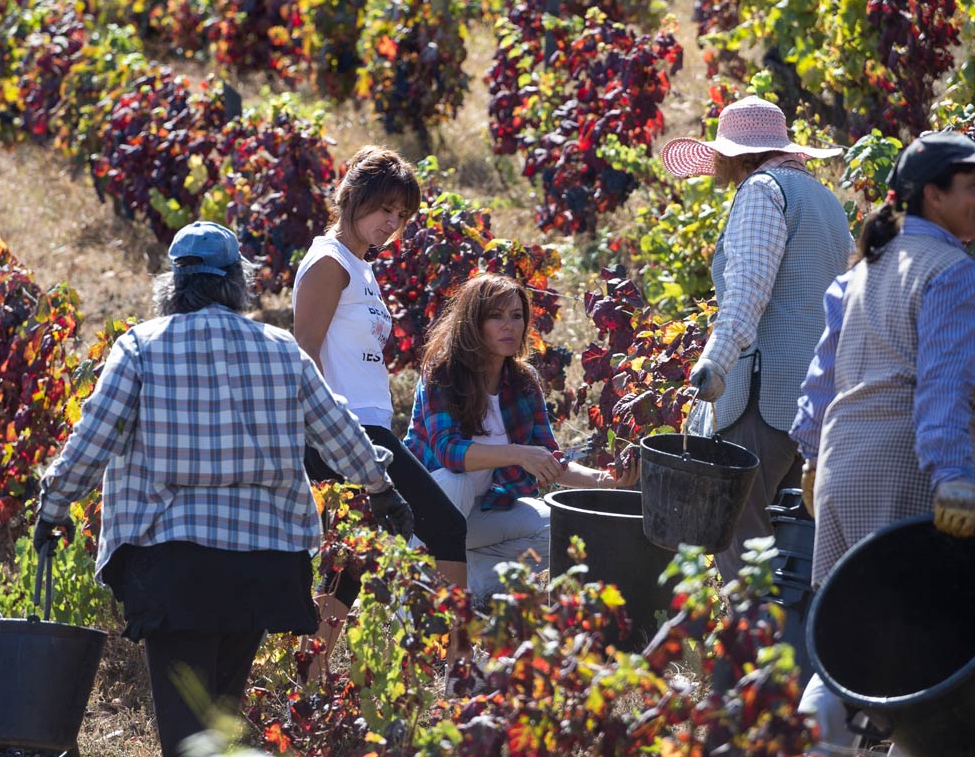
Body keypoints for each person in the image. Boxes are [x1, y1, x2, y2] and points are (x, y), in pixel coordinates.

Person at [34, 221, 411, 757]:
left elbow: (92, 437)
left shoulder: (141, 347)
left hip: (172, 565)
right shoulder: (280, 349)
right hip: (263, 564)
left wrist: (53, 506)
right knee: (219, 715)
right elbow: (338, 429)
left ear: (172, 284)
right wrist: (381, 486)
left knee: (188, 735)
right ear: (238, 282)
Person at [789, 131, 975, 755]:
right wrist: (954, 478)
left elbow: (820, 378)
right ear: (934, 195)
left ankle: (814, 744)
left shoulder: (864, 270)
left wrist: (812, 459)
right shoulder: (953, 273)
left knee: (854, 635)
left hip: (843, 469)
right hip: (909, 469)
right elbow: (940, 390)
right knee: (950, 643)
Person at [660, 95, 853, 581]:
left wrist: (717, 363)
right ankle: (794, 643)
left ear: (733, 154)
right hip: (815, 402)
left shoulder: (762, 192)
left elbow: (748, 291)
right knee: (793, 538)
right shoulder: (826, 201)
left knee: (736, 531)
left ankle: (751, 644)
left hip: (761, 399)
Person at [292, 146, 467, 675]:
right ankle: (462, 665)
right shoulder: (328, 264)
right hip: (348, 434)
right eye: (383, 209)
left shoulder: (359, 265)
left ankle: (310, 671)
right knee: (447, 528)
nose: (392, 223)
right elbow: (303, 361)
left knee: (354, 558)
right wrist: (337, 439)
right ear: (352, 198)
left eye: (401, 214)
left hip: (365, 430)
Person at [404, 273, 627, 604]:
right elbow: (449, 451)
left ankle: (475, 584)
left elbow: (549, 461)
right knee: (456, 482)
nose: (508, 326)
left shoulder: (523, 381)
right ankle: (414, 596)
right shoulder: (443, 373)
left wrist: (608, 480)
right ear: (472, 323)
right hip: (424, 515)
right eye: (495, 316)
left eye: (516, 316)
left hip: (480, 512)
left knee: (560, 525)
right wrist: (519, 454)